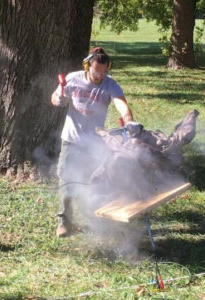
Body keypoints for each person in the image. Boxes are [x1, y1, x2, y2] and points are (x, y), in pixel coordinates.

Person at [51, 47, 136, 237]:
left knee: (94, 182)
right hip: (71, 140)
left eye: (104, 72)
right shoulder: (73, 79)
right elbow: (54, 97)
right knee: (67, 182)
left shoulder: (109, 84)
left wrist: (129, 120)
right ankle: (64, 221)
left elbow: (121, 104)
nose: (100, 76)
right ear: (87, 66)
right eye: (96, 72)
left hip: (94, 143)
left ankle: (96, 219)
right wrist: (59, 99)